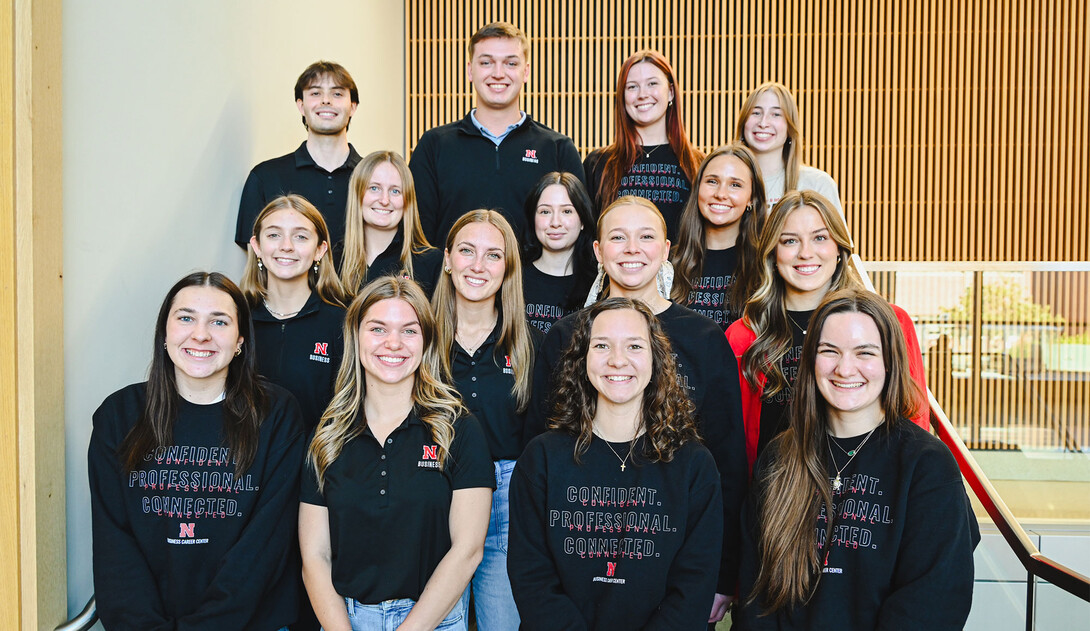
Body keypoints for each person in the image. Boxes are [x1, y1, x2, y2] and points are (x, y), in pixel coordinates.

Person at [529, 195, 746, 625]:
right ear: (597, 251)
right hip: (581, 543)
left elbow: (729, 462)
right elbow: (541, 452)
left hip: (672, 550)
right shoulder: (565, 335)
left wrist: (724, 575)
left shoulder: (704, 338)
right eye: (617, 237)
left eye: (646, 237)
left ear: (666, 250)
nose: (631, 249)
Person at [733, 289, 979, 630]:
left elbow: (932, 601)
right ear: (811, 360)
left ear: (890, 361)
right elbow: (755, 597)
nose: (844, 368)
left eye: (864, 353)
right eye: (829, 351)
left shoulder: (927, 465)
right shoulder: (779, 458)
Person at [89, 272, 305, 630]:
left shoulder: (277, 415)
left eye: (219, 321)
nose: (200, 334)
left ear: (240, 341)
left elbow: (264, 548)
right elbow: (116, 548)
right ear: (165, 334)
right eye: (186, 318)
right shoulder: (119, 415)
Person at [509, 298, 723, 629]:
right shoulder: (541, 459)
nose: (618, 360)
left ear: (656, 359)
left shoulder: (694, 466)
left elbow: (693, 587)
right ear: (582, 359)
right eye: (602, 346)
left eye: (634, 346)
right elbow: (532, 579)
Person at [299, 276, 494, 631]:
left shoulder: (458, 429)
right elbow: (315, 556)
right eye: (378, 328)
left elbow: (467, 550)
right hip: (346, 620)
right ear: (356, 337)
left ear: (426, 342)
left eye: (409, 330)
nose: (393, 343)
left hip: (437, 620)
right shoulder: (327, 436)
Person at [725, 191, 929, 473]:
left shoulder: (889, 320)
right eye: (790, 241)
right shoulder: (745, 335)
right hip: (778, 495)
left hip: (870, 492)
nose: (805, 252)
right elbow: (735, 443)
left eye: (820, 238)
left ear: (839, 249)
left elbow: (912, 414)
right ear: (773, 253)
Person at [432, 210, 541, 629]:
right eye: (466, 251)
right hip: (435, 491)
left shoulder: (532, 344)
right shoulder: (417, 338)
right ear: (447, 259)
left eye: (493, 255)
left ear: (507, 268)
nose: (478, 265)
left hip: (509, 502)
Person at [409, 21, 585, 245]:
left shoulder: (558, 148)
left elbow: (579, 235)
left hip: (534, 281)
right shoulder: (434, 145)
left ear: (526, 72)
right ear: (470, 70)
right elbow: (418, 236)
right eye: (486, 62)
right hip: (450, 280)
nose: (499, 73)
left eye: (511, 63)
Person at [236, 61, 362, 265]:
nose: (326, 101)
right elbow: (255, 264)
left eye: (337, 94)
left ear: (353, 107)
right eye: (315, 93)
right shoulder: (265, 177)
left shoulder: (374, 181)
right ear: (301, 105)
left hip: (362, 297)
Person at [242, 195, 347, 432]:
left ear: (320, 250)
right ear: (257, 246)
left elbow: (348, 409)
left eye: (300, 236)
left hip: (316, 462)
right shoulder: (237, 319)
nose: (286, 246)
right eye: (274, 235)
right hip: (246, 462)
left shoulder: (341, 323)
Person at [583, 50, 703, 241]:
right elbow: (586, 237)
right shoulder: (598, 164)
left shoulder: (697, 164)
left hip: (682, 272)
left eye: (652, 84)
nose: (642, 94)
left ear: (671, 92)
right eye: (632, 87)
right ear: (622, 96)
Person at [670, 144, 767, 330]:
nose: (721, 194)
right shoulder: (668, 263)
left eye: (735, 185)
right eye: (712, 181)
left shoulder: (766, 265)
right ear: (698, 188)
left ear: (752, 198)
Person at [339, 150, 444, 298]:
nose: (384, 200)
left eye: (395, 191)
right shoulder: (334, 260)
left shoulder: (432, 263)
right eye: (374, 188)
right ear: (357, 194)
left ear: (407, 200)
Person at [734, 82, 843, 215]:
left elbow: (837, 236)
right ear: (744, 122)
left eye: (776, 114)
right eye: (756, 113)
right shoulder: (725, 183)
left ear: (790, 127)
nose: (763, 123)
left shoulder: (818, 184)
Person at [520, 172, 597, 334]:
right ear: (533, 218)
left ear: (582, 220)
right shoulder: (513, 277)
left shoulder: (598, 284)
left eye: (567, 211)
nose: (555, 222)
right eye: (545, 212)